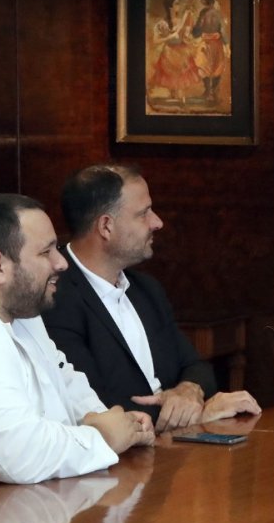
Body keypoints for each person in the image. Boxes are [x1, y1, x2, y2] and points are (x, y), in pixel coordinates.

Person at [0, 193, 154, 494]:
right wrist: (103, 438)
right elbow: (18, 455)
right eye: (46, 252)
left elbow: (62, 377)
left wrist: (107, 419)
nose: (61, 262)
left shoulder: (17, 306)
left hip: (27, 503)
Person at [42, 164, 261, 432]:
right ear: (106, 226)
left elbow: (196, 366)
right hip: (118, 453)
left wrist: (189, 390)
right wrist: (200, 413)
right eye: (144, 213)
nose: (157, 222)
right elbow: (95, 407)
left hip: (176, 447)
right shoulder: (55, 298)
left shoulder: (146, 289)